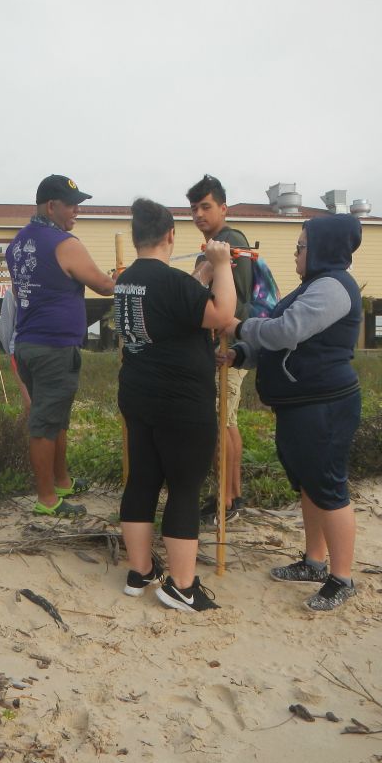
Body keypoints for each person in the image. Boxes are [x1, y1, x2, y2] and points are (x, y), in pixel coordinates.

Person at [222, 214, 363, 611]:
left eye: (301, 246)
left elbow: (286, 331)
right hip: (301, 405)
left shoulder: (333, 287)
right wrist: (243, 353)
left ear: (321, 249)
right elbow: (279, 340)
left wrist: (239, 327)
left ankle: (342, 577)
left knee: (330, 488)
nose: (296, 254)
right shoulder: (312, 286)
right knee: (308, 484)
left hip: (326, 405)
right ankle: (315, 562)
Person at [115, 198, 235, 612]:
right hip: (181, 402)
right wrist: (219, 266)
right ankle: (182, 586)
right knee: (184, 487)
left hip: (138, 394)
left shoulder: (126, 279)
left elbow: (169, 312)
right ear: (170, 235)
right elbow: (221, 315)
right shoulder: (173, 283)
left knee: (143, 480)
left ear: (135, 237)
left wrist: (197, 278)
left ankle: (140, 570)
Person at [5, 175, 115, 517]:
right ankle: (47, 499)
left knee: (56, 419)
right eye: (71, 205)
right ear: (51, 206)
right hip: (53, 347)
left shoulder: (17, 244)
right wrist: (125, 276)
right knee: (44, 423)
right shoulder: (65, 243)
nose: (76, 211)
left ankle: (62, 480)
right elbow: (104, 286)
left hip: (27, 342)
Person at [187, 175, 253, 525]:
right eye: (194, 208)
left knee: (221, 422)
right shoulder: (214, 246)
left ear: (223, 208)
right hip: (224, 347)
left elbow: (233, 302)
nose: (199, 213)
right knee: (227, 422)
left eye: (206, 206)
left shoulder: (229, 243)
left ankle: (226, 501)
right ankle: (232, 495)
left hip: (228, 348)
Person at [0, 286, 31, 414]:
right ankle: (18, 433)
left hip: (46, 351)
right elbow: (5, 329)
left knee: (41, 406)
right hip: (18, 351)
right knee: (30, 405)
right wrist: (11, 352)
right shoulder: (11, 291)